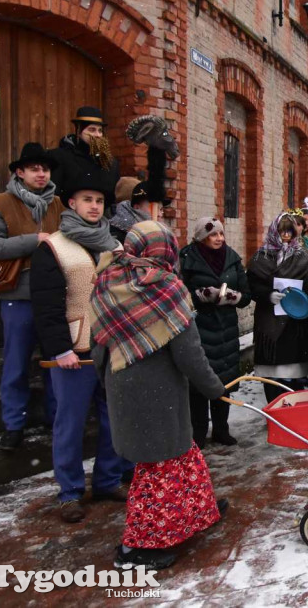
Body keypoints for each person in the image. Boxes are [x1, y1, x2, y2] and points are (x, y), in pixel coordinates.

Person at [91, 220, 228, 570]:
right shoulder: (168, 289)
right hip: (159, 394)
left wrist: (109, 381)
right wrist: (215, 389)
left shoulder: (109, 279)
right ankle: (138, 548)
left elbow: (98, 343)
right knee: (158, 470)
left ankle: (199, 510)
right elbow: (189, 355)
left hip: (123, 384)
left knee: (180, 455)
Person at [30, 163, 127, 523]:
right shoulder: (54, 248)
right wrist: (60, 349)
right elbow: (47, 305)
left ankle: (107, 479)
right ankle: (69, 491)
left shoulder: (115, 246)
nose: (94, 207)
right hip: (74, 350)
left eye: (100, 201)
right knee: (68, 424)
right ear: (71, 203)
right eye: (87, 200)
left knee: (113, 420)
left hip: (112, 345)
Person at [0, 143, 65, 451]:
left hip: (55, 297)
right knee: (15, 364)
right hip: (18, 294)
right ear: (20, 172)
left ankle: (58, 420)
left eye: (45, 169)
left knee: (56, 362)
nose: (41, 174)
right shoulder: (0, 203)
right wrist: (35, 240)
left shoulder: (59, 205)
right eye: (34, 169)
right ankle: (13, 426)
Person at [179, 217, 251, 447]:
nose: (219, 239)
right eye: (213, 235)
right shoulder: (187, 258)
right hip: (199, 327)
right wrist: (200, 296)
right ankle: (197, 433)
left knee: (225, 381)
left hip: (226, 329)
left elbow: (246, 295)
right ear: (201, 237)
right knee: (199, 381)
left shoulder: (231, 258)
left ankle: (221, 429)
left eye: (221, 234)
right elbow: (179, 293)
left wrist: (233, 297)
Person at [247, 212, 308, 404]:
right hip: (269, 322)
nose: (286, 236)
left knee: (293, 375)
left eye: (290, 232)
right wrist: (268, 294)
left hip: (294, 322)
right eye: (282, 231)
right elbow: (252, 285)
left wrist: (300, 297)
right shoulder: (261, 256)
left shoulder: (303, 256)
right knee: (272, 375)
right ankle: (274, 411)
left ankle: (293, 412)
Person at [48, 106, 120, 206]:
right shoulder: (60, 156)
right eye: (92, 130)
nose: (98, 135)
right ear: (79, 131)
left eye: (100, 130)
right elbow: (54, 194)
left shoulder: (110, 163)